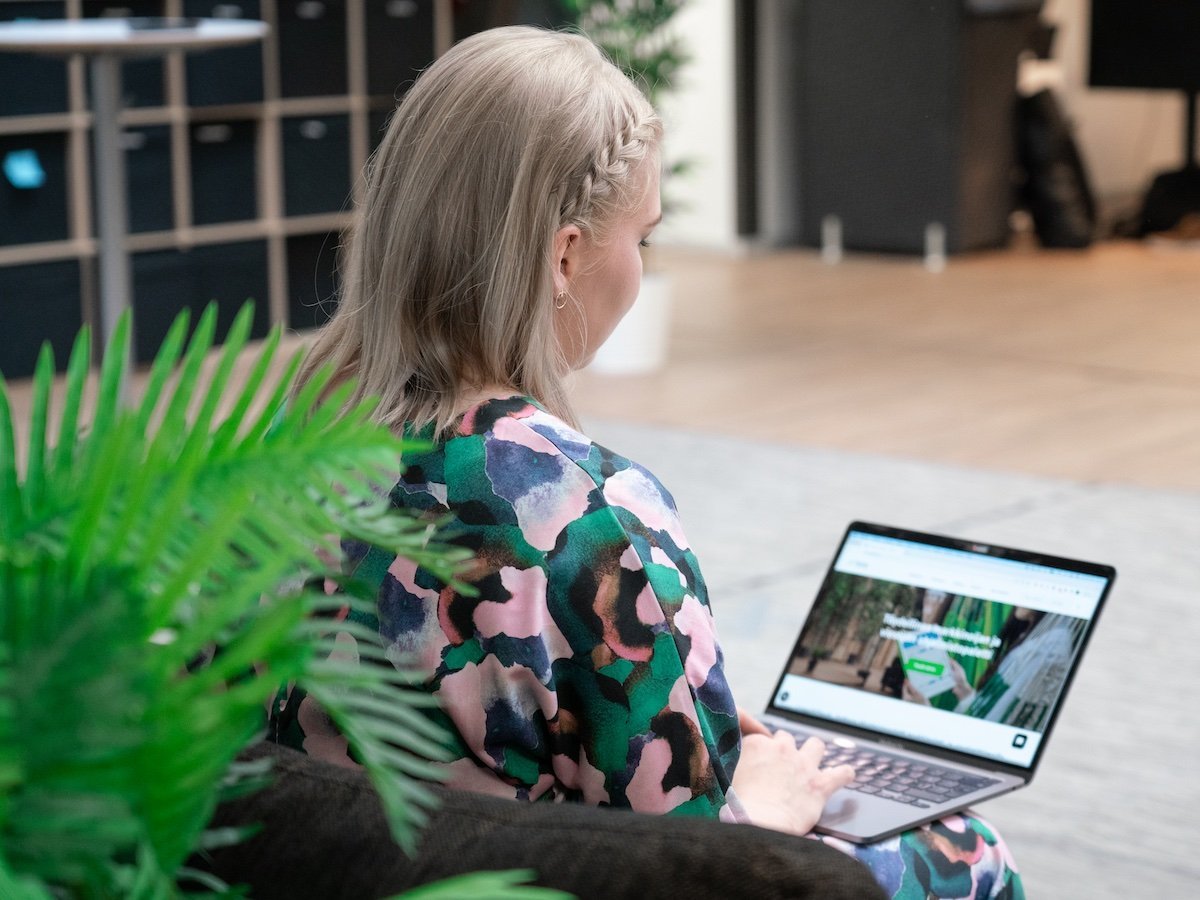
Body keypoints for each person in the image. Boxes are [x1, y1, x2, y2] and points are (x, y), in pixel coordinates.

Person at [278, 25, 1024, 899]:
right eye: (643, 238)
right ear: (564, 256)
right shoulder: (587, 512)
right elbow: (692, 863)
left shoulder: (275, 457)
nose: (640, 271)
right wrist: (760, 805)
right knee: (968, 850)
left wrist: (701, 730)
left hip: (344, 874)